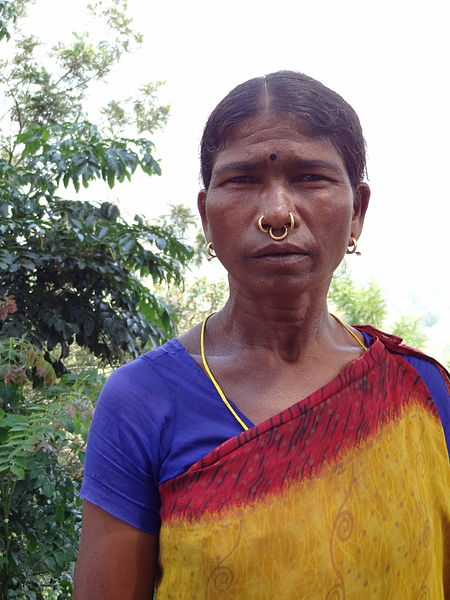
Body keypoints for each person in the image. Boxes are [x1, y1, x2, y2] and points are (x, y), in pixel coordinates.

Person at [73, 71, 450, 599]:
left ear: (357, 211)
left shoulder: (420, 394)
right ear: (206, 216)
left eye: (310, 177)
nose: (277, 214)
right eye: (243, 180)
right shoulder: (142, 401)